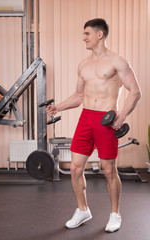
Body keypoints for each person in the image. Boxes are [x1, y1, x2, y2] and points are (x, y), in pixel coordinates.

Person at [46, 18, 141, 232]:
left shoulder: (117, 61)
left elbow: (135, 91)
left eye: (87, 33)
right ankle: (83, 210)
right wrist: (58, 107)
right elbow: (79, 96)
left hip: (106, 119)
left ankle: (115, 213)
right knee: (75, 168)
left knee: (109, 171)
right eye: (83, 34)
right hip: (86, 118)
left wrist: (122, 116)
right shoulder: (83, 64)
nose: (84, 38)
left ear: (100, 34)